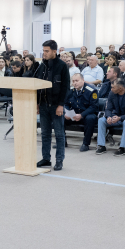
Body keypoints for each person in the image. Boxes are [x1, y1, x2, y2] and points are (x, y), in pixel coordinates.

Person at [33, 40, 71, 171]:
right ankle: (46, 158)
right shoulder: (42, 66)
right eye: (43, 51)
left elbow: (65, 87)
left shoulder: (62, 66)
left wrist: (61, 105)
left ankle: (59, 160)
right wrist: (37, 103)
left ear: (54, 51)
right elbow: (37, 84)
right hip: (43, 104)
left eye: (47, 51)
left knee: (59, 134)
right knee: (45, 134)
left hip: (56, 105)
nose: (44, 53)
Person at [96, 78, 125, 155]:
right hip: (115, 117)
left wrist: (120, 118)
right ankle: (101, 146)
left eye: (113, 87)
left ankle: (122, 148)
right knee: (101, 120)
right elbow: (108, 109)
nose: (111, 89)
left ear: (120, 88)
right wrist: (108, 117)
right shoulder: (112, 93)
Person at [64, 73, 100, 151]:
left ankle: (85, 144)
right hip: (74, 115)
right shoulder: (71, 91)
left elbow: (93, 107)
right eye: (73, 81)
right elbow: (66, 104)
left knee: (90, 118)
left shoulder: (92, 91)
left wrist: (81, 115)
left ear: (83, 80)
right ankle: (62, 141)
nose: (75, 83)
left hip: (86, 115)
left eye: (77, 81)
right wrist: (67, 112)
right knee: (60, 117)